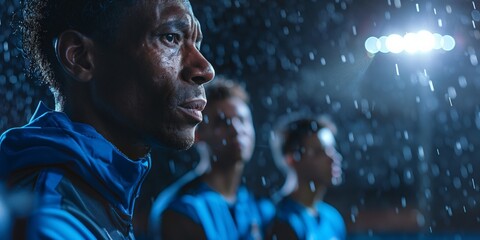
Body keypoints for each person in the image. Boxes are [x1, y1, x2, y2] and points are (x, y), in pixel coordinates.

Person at [0, 0, 214, 238]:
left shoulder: (92, 192)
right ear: (80, 57)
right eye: (171, 38)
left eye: (196, 43)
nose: (205, 69)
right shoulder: (50, 221)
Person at [157, 78, 275, 240]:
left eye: (242, 120)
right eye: (223, 122)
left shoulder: (259, 208)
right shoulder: (183, 208)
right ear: (197, 135)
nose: (236, 129)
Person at [266, 116, 346, 240]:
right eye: (320, 152)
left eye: (332, 149)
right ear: (292, 159)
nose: (333, 158)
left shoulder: (333, 219)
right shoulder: (279, 219)